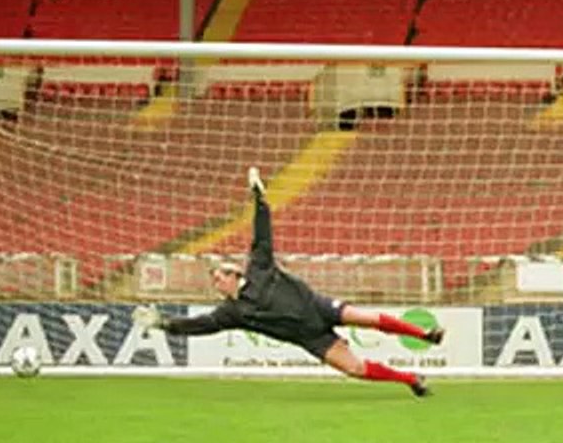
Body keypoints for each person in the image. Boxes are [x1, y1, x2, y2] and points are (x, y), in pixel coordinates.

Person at [133, 167, 440, 397]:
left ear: (234, 274)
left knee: (368, 318)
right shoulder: (231, 313)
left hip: (318, 308)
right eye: (214, 280)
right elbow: (199, 326)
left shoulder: (259, 267)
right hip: (309, 337)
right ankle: (411, 380)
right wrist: (164, 324)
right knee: (354, 369)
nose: (216, 283)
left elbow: (262, 234)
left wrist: (259, 199)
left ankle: (425, 334)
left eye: (218, 276)